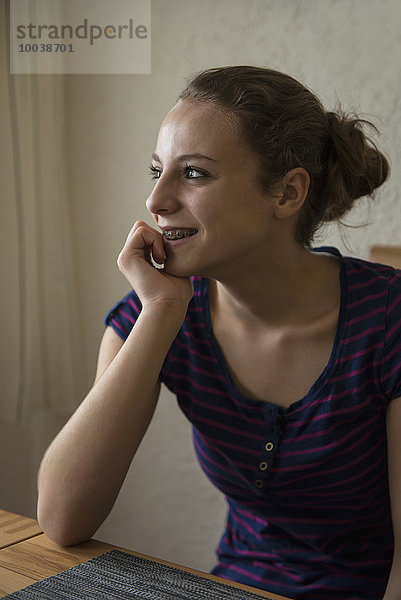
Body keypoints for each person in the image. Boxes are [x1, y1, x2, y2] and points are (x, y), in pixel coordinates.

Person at [37, 66, 401, 600]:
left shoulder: (388, 320)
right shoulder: (154, 316)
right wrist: (160, 312)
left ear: (287, 193)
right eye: (156, 170)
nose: (156, 201)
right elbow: (63, 519)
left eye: (194, 174)